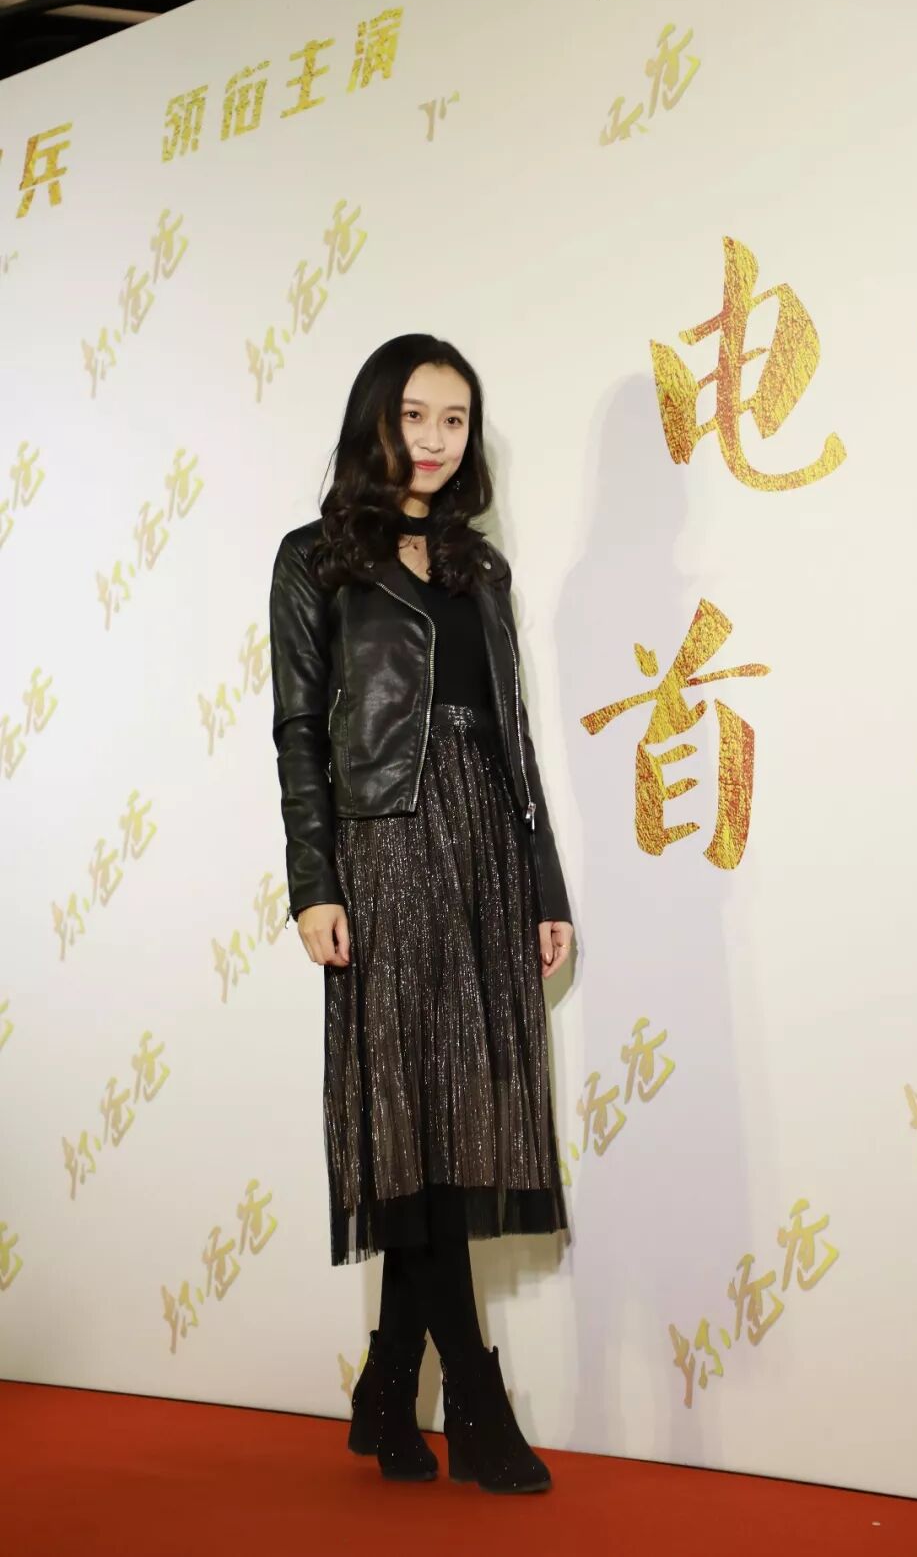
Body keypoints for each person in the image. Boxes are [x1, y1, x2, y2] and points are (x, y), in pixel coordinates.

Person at [268, 334, 574, 1494]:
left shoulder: (478, 567)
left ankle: (389, 1389)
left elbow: (514, 735)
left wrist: (542, 883)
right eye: (414, 415)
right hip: (385, 849)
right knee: (412, 1121)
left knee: (453, 1125)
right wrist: (314, 883)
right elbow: (300, 731)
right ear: (375, 421)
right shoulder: (315, 562)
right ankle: (478, 1404)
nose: (436, 439)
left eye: (455, 419)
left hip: (484, 848)